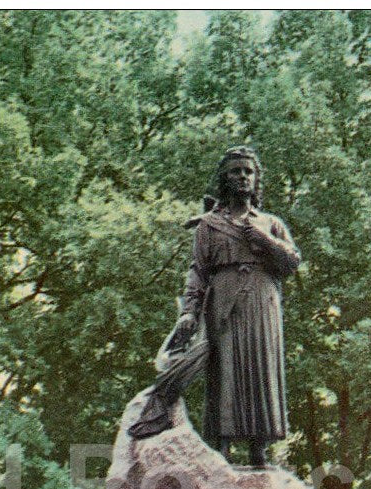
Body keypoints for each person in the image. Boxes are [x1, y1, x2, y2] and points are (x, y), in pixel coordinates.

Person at [129, 147, 301, 468]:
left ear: (256, 179)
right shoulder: (209, 225)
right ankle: (220, 449)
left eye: (249, 172)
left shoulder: (270, 223)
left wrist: (264, 240)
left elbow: (292, 261)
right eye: (236, 171)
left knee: (260, 369)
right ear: (225, 177)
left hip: (263, 302)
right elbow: (198, 271)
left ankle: (258, 451)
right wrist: (189, 312)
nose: (243, 177)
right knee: (224, 369)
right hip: (223, 300)